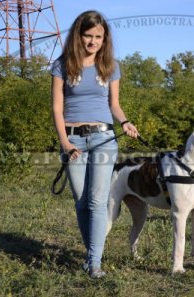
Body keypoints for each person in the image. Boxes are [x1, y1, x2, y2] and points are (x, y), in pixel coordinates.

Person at [50, 10, 138, 278]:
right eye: (88, 35)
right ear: (79, 35)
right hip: (73, 138)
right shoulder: (62, 64)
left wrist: (125, 122)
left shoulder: (110, 65)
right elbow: (56, 108)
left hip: (103, 138)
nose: (93, 41)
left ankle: (94, 263)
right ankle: (92, 255)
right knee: (81, 202)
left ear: (104, 38)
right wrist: (65, 143)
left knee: (98, 202)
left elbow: (114, 105)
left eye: (98, 36)